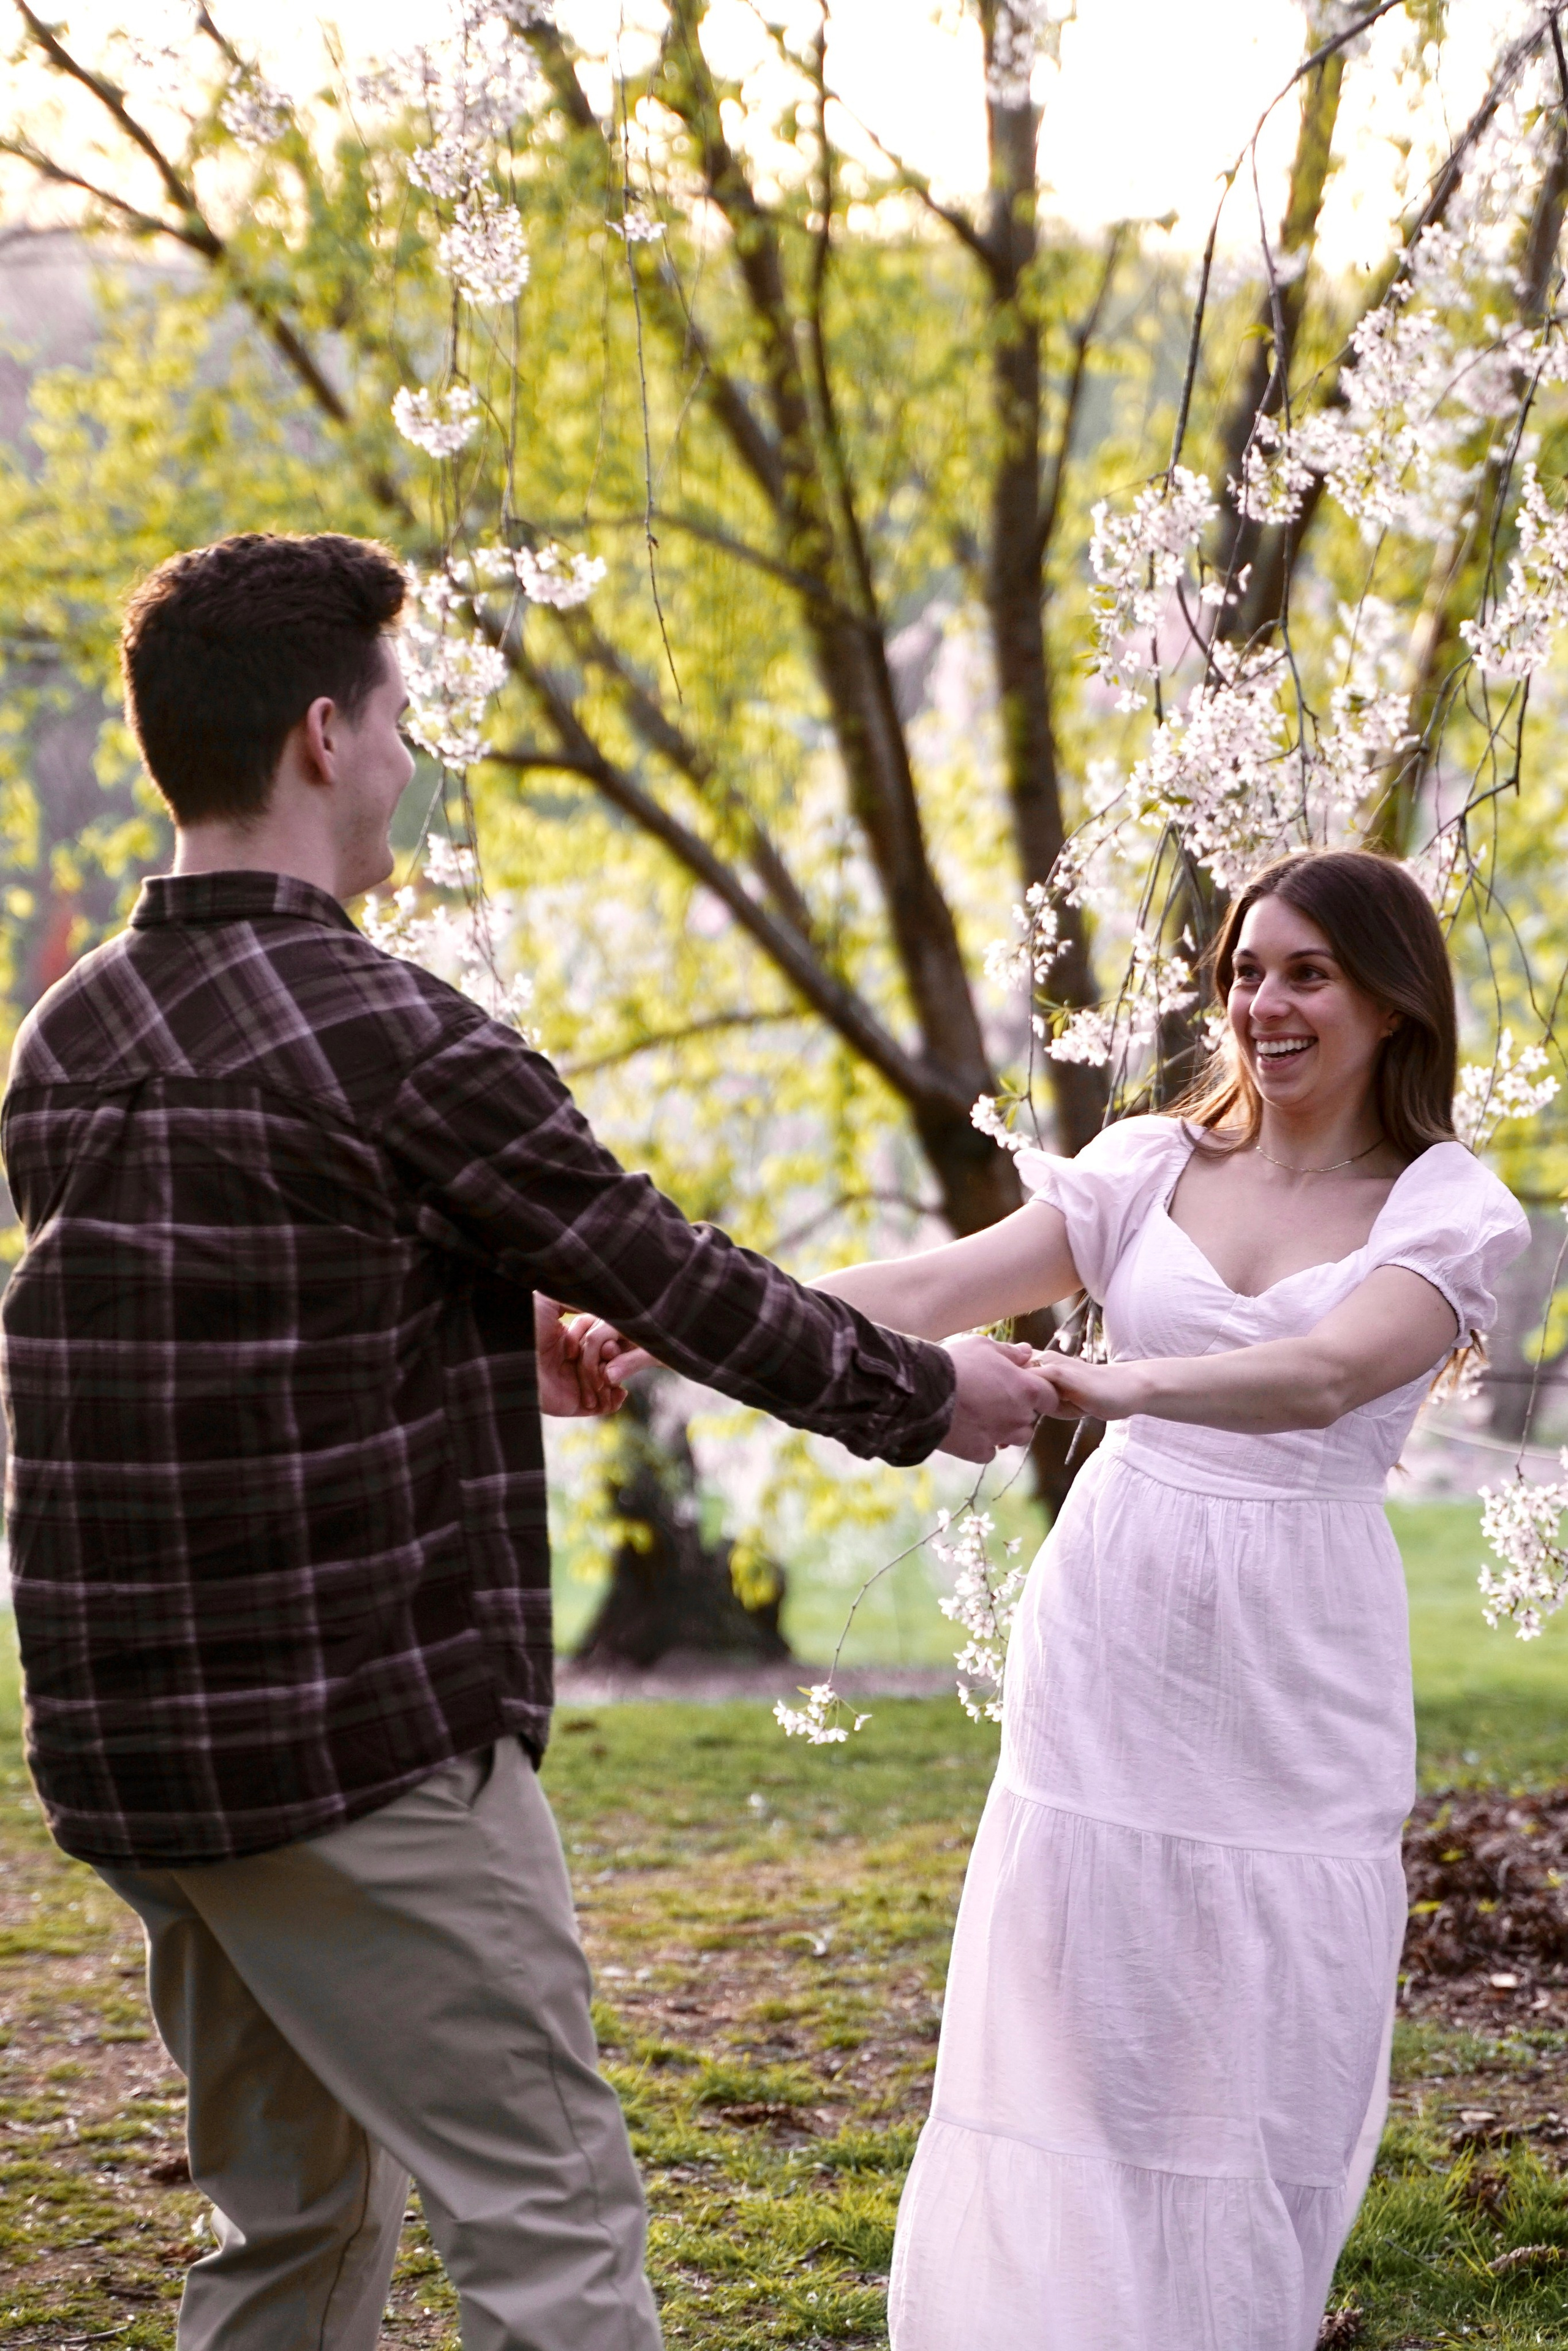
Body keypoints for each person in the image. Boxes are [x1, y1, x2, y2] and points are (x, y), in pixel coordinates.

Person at [0, 530, 1057, 2351]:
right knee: (549, 2216)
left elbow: (214, 1342)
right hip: (353, 1749)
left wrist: (480, 1339)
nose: (413, 757)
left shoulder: (70, 1030)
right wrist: (924, 1389)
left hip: (137, 1755)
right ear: (324, 733)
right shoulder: (399, 1035)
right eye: (403, 719)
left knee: (291, 2224)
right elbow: (669, 1271)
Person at [590, 846, 1530, 2349]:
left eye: (1307, 973)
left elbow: (1328, 1372)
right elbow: (928, 1288)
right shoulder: (1149, 1164)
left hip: (1298, 1650)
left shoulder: (1448, 1207)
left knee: (1260, 2031)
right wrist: (680, 1325)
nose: (1264, 1003)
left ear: (1391, 1002)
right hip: (1115, 1616)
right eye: (1244, 970)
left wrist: (1122, 1380)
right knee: (1081, 2003)